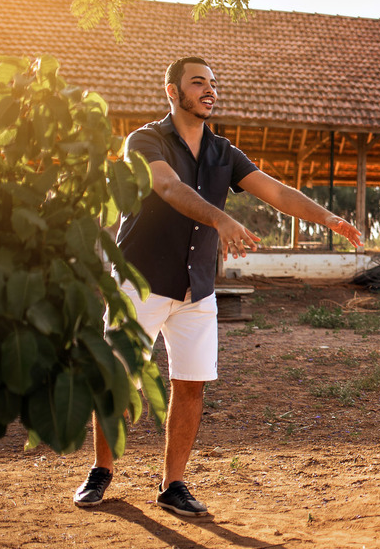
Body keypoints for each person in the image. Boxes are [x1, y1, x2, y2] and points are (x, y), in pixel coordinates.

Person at [73, 57, 363, 517]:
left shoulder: (223, 152)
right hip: (141, 282)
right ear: (172, 91)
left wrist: (327, 217)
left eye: (213, 83)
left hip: (196, 289)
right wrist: (221, 217)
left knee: (191, 386)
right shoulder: (145, 139)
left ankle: (172, 485)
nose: (209, 90)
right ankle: (101, 470)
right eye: (197, 83)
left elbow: (278, 192)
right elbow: (166, 187)